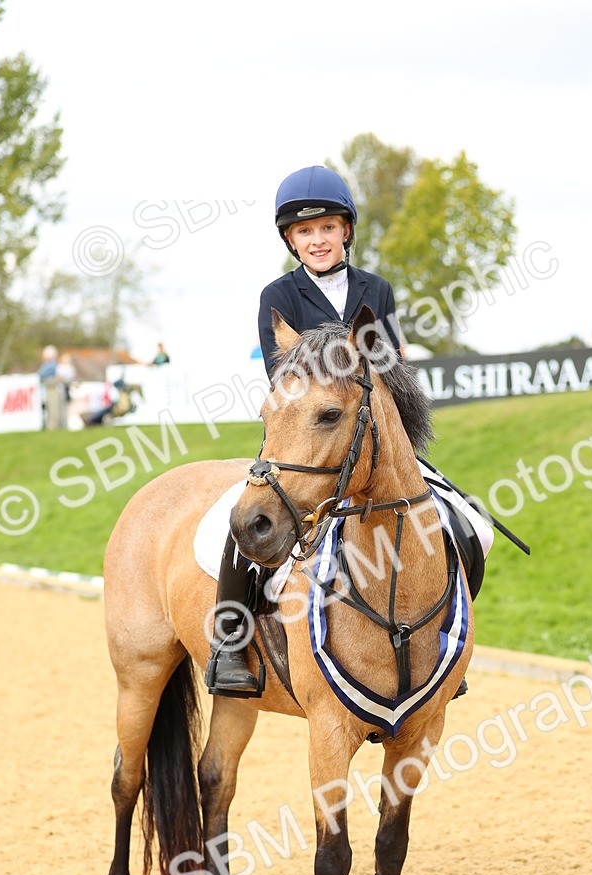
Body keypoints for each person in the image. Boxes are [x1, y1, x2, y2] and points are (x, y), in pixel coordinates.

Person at [205, 165, 493, 696]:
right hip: (304, 438)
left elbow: (394, 373)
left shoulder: (375, 290)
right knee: (239, 526)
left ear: (346, 232)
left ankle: (447, 648)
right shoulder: (278, 295)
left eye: (327, 228)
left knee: (469, 523)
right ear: (290, 240)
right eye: (305, 232)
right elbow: (284, 379)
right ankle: (229, 646)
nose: (318, 240)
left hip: (375, 438)